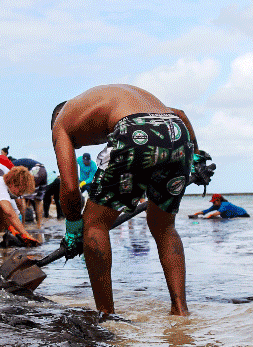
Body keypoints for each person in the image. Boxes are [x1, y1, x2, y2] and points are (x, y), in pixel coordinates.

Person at [52, 84, 198, 317]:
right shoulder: (115, 100)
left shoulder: (61, 122)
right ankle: (180, 310)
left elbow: (69, 188)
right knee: (164, 227)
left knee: (95, 223)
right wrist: (197, 157)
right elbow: (179, 115)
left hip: (134, 131)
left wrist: (73, 228)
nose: (80, 146)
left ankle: (106, 315)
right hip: (176, 131)